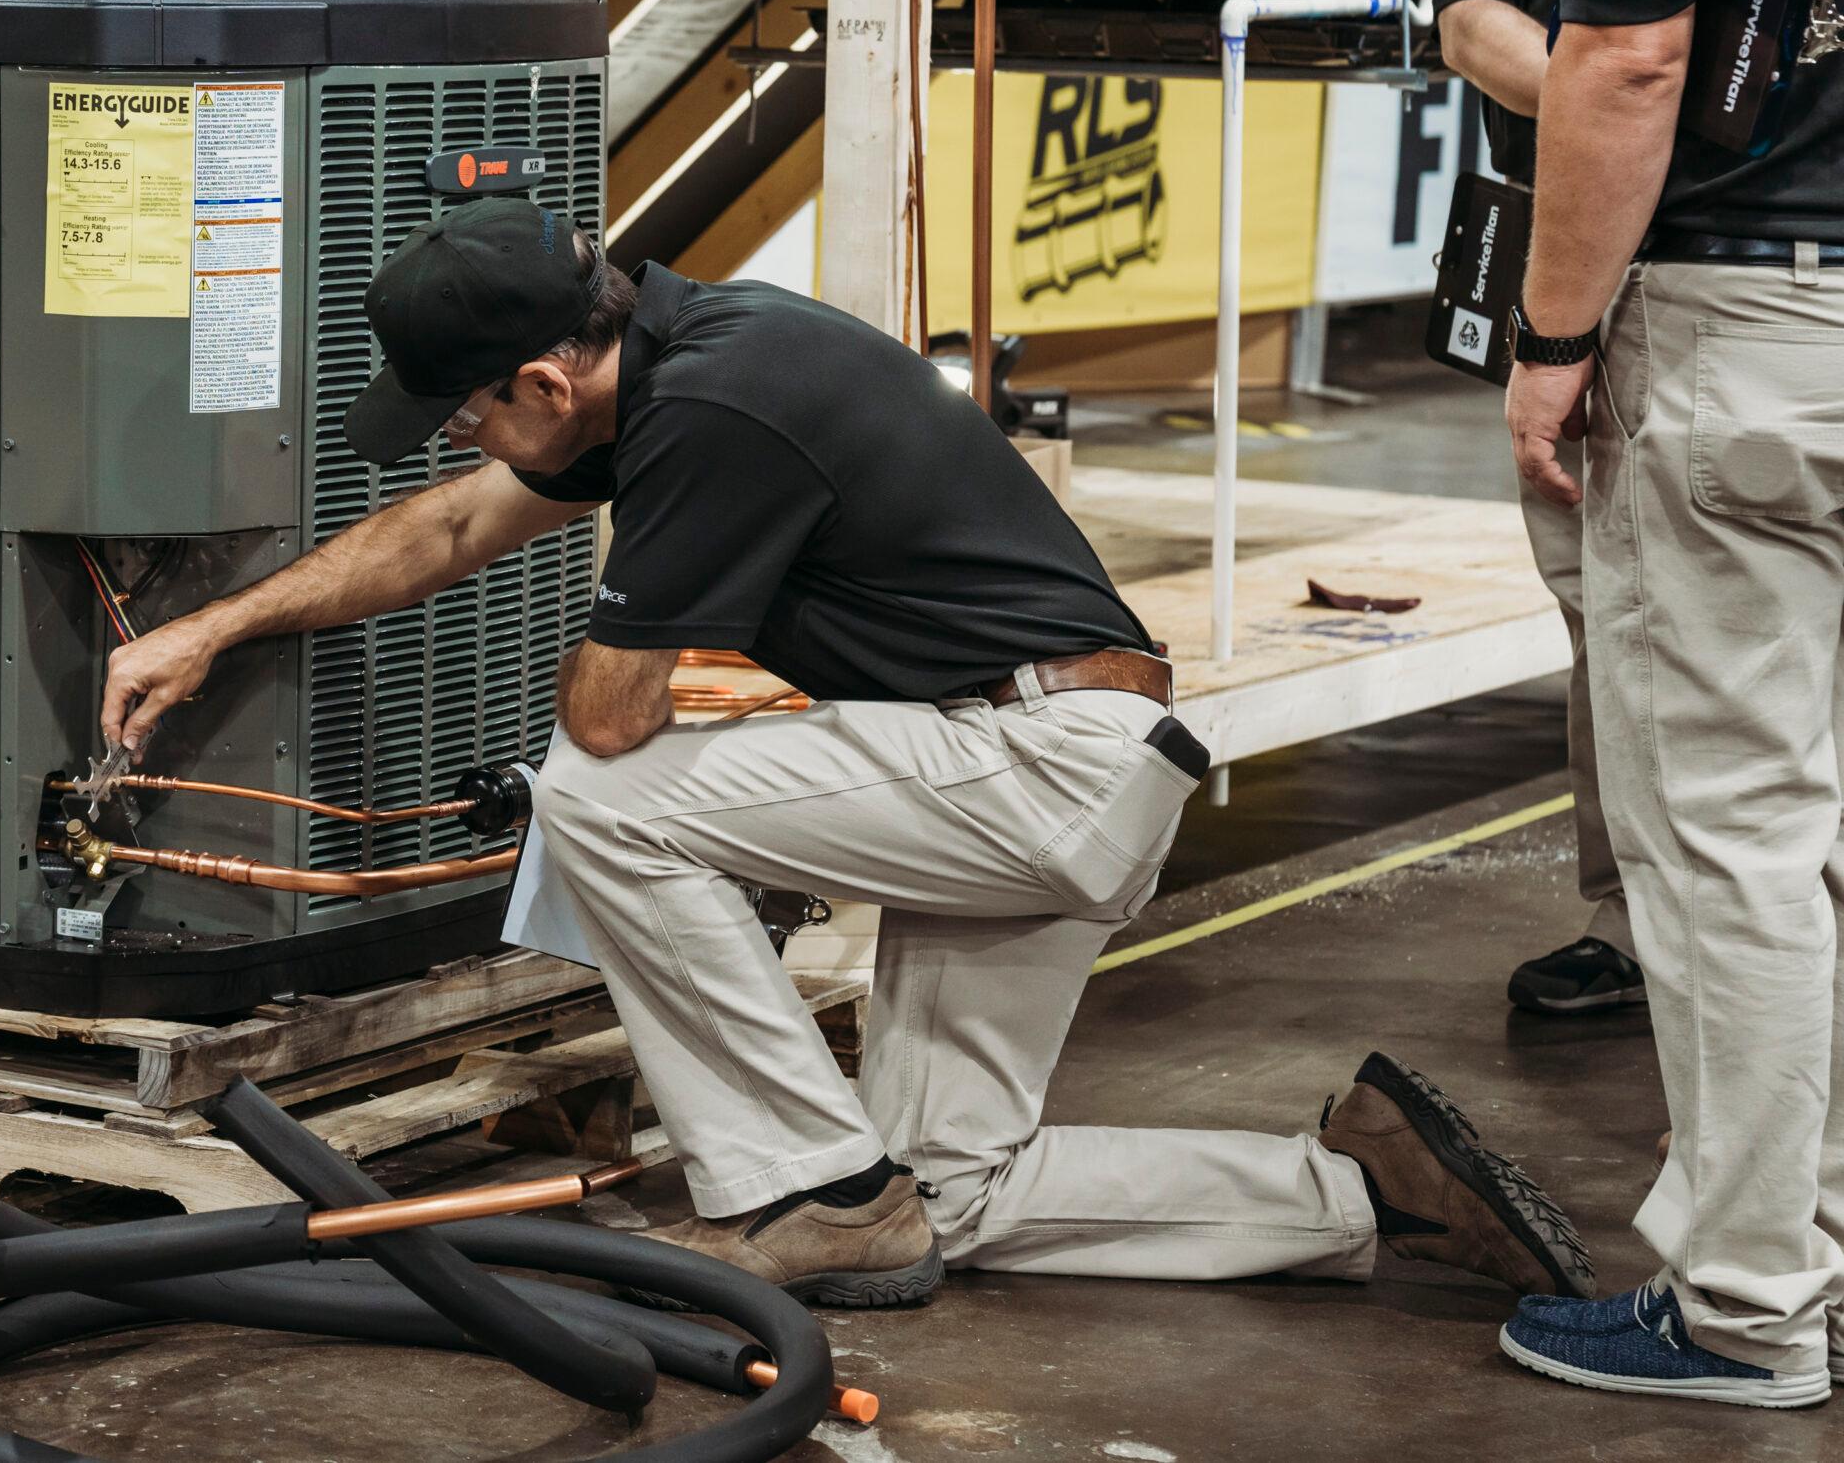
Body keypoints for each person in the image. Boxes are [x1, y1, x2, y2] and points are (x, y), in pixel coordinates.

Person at [101, 195, 1594, 1310]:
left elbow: (612, 721)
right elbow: (442, 533)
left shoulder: (718, 405)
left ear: (546, 385)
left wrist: (646, 634)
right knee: (948, 1193)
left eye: (471, 412)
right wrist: (213, 629)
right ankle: (1360, 1184)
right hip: (1033, 766)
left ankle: (803, 1187)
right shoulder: (686, 353)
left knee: (603, 801)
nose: (462, 444)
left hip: (1039, 766)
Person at [1498, 0, 1844, 1408]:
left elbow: (1631, 58)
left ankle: (1748, 1305)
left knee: (1733, 830)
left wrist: (1556, 340)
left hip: (1758, 324)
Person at [1434, 0, 1645, 1018]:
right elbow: (1469, 22)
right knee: (1594, 605)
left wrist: (1636, 91)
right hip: (1559, 248)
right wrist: (1620, 98)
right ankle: (1628, 919)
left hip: (1725, 248)